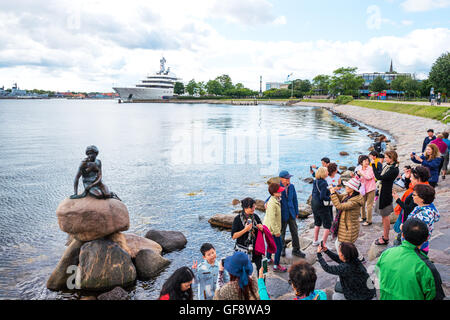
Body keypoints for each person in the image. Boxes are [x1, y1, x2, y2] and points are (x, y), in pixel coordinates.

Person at [376, 218, 443, 300]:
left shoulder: (386, 253)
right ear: (426, 238)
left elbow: (378, 276)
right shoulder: (426, 267)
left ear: (403, 235)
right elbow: (434, 296)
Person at [392, 166, 430, 245]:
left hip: (409, 224)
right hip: (408, 221)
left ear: (418, 179)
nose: (410, 179)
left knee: (400, 241)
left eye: (412, 177)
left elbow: (409, 209)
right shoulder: (422, 188)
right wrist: (407, 177)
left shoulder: (419, 193)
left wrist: (397, 200)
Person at [329, 177, 364, 254]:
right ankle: (358, 259)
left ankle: (345, 260)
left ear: (353, 189)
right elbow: (340, 197)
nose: (346, 187)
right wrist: (334, 192)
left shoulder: (354, 201)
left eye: (348, 186)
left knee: (341, 245)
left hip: (349, 228)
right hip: (345, 226)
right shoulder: (348, 194)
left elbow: (339, 206)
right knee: (348, 247)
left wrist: (332, 194)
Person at [372, 150, 399, 245]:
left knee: (385, 216)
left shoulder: (393, 169)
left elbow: (379, 177)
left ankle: (386, 238)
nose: (384, 159)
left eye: (387, 157)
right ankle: (384, 235)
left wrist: (373, 166)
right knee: (383, 216)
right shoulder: (389, 166)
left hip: (386, 194)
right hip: (382, 192)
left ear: (392, 158)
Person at [405, 184, 440, 254]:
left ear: (422, 198)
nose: (412, 196)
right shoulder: (427, 206)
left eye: (414, 195)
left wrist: (402, 227)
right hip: (423, 244)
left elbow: (414, 230)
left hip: (416, 246)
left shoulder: (424, 215)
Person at [231, 197, 264, 271]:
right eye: (251, 207)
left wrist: (261, 228)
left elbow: (261, 230)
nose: (254, 208)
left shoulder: (255, 217)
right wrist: (245, 230)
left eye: (254, 206)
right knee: (243, 272)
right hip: (242, 250)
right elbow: (233, 236)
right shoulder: (237, 219)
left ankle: (261, 282)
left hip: (256, 248)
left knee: (261, 269)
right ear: (245, 208)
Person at [278, 170, 305, 258]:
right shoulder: (277, 187)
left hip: (292, 213)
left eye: (289, 178)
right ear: (281, 179)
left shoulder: (292, 187)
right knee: (282, 233)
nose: (288, 179)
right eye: (286, 178)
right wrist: (266, 203)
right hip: (282, 214)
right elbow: (271, 197)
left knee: (295, 232)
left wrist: (296, 212)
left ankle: (296, 250)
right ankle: (282, 248)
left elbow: (295, 200)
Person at [264, 183, 287, 272]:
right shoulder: (272, 203)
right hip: (272, 229)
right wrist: (277, 231)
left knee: (270, 244)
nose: (281, 191)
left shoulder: (274, 199)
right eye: (279, 191)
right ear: (274, 193)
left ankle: (268, 259)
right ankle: (276, 266)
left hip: (268, 227)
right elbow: (272, 219)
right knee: (279, 247)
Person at [311, 167, 332, 247]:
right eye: (327, 171)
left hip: (314, 203)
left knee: (317, 223)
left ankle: (315, 241)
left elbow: (314, 193)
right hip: (321, 205)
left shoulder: (315, 181)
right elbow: (322, 197)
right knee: (327, 225)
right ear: (324, 173)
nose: (328, 172)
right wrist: (330, 197)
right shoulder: (324, 183)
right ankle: (323, 245)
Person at [356, 155, 376, 226]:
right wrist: (356, 176)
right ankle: (363, 217)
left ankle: (369, 220)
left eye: (368, 161)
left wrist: (361, 174)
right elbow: (360, 180)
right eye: (365, 161)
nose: (367, 162)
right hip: (363, 189)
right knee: (362, 203)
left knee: (369, 205)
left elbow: (369, 177)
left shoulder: (370, 168)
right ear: (361, 162)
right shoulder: (360, 169)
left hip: (371, 188)